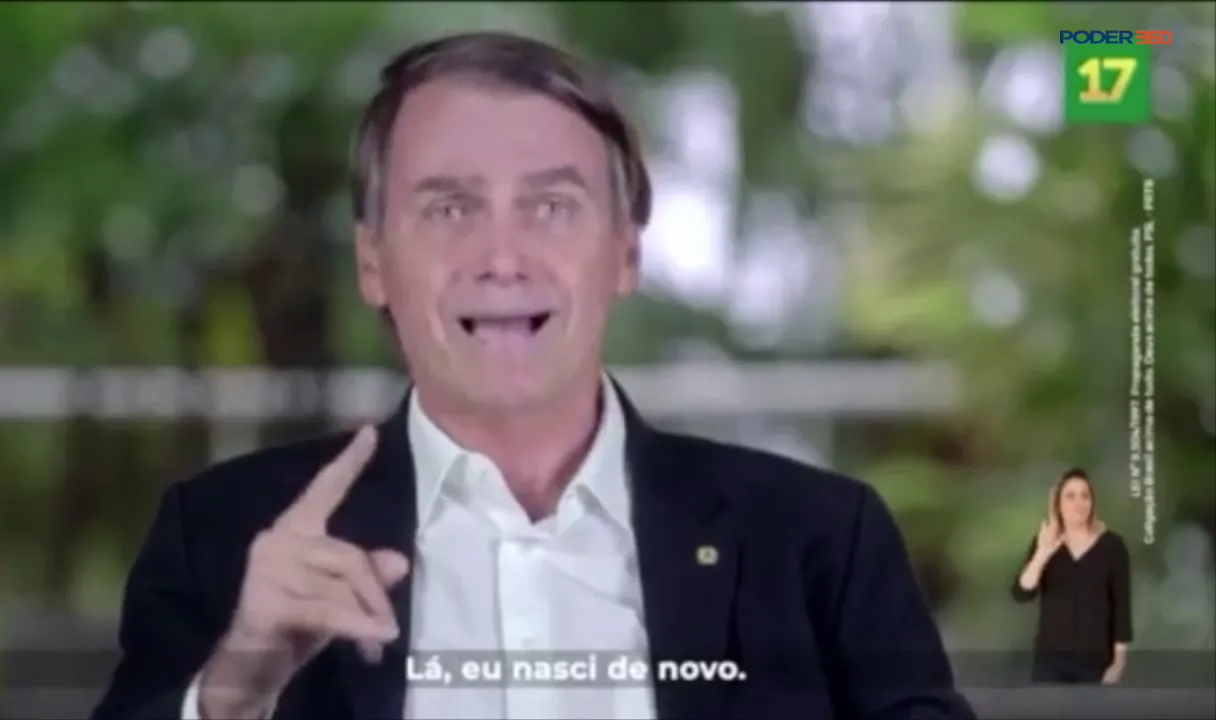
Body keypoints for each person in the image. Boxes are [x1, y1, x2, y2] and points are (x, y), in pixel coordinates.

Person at [91, 32, 973, 720]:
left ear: (624, 253)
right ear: (373, 263)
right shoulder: (223, 540)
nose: (502, 257)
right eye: (450, 207)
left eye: (551, 206)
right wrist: (232, 692)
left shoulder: (819, 543)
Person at [1011, 468, 1132, 685]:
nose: (1079, 502)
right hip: (1050, 663)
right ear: (1058, 504)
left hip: (1096, 664)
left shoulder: (1112, 546)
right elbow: (1022, 592)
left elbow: (1121, 607)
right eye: (1070, 496)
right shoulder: (1044, 542)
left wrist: (1118, 662)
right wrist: (1043, 553)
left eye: (1085, 495)